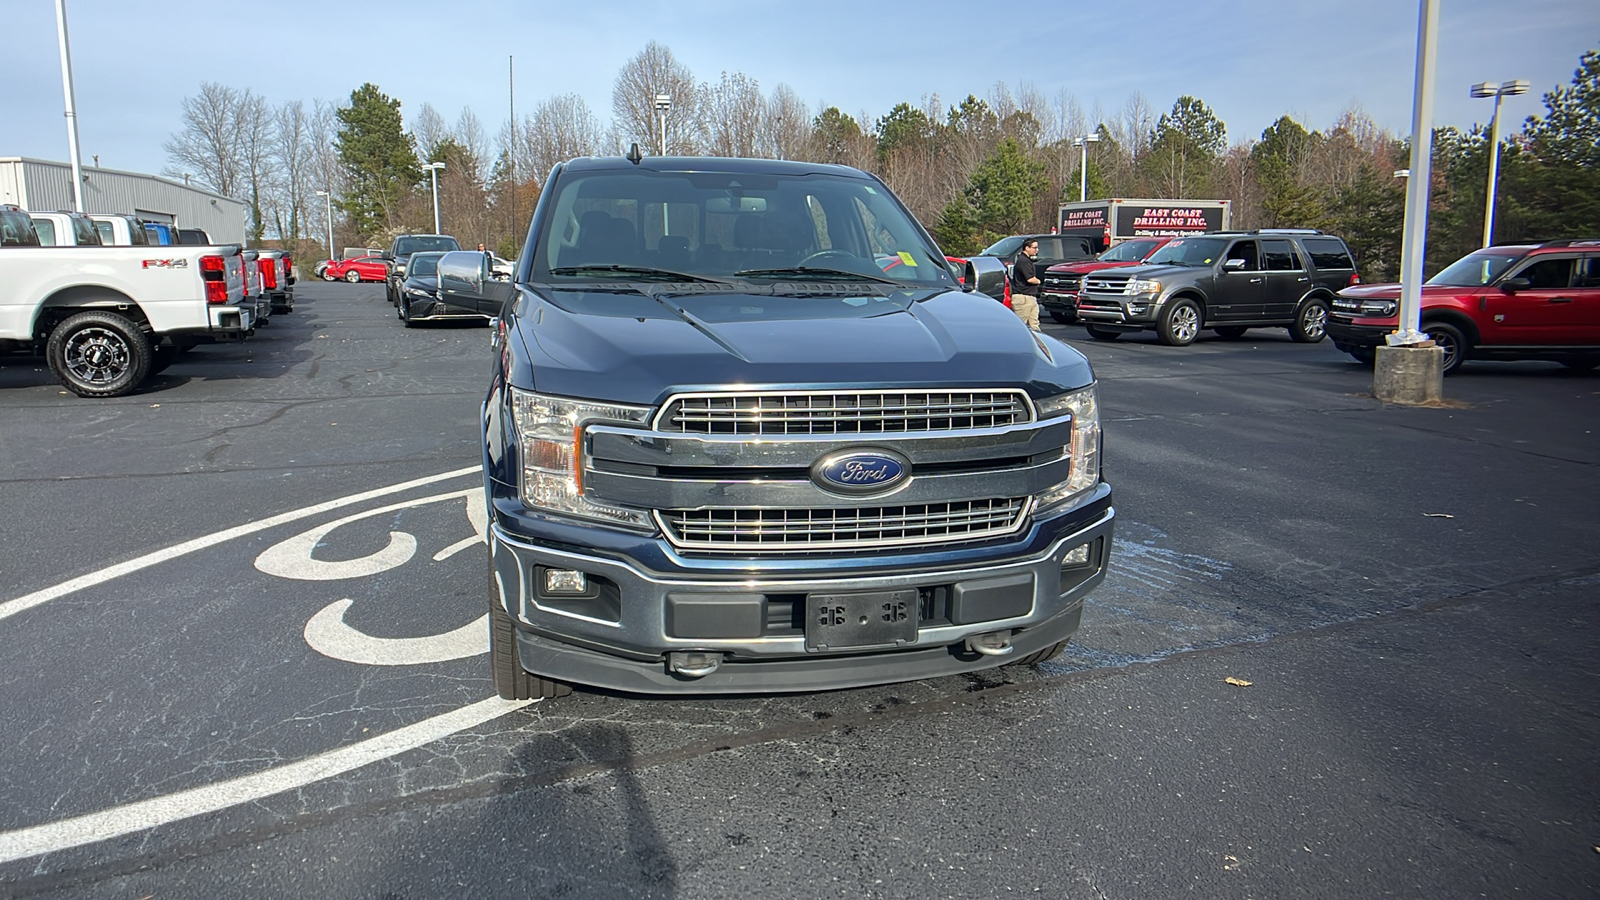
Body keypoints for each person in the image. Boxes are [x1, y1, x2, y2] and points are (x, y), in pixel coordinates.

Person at [1010, 239, 1043, 331]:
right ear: (1027, 248)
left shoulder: (1026, 260)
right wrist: (1039, 281)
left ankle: (1037, 344)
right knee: (1019, 327)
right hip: (1023, 298)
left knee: (1034, 326)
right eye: (1034, 248)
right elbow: (1030, 279)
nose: (1037, 250)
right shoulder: (1023, 261)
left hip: (1030, 297)